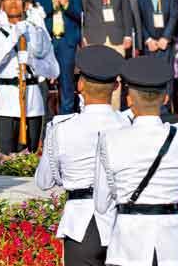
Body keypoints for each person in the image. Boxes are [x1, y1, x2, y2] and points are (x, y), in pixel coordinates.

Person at [94, 54, 178, 266]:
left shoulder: (111, 138)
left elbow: (101, 202)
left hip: (128, 244)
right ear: (165, 99)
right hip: (172, 244)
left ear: (129, 99)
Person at [35, 46, 130, 266]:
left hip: (80, 223)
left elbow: (44, 181)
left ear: (80, 85)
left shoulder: (62, 128)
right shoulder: (127, 126)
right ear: (116, 87)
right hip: (122, 221)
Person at [0, 0, 57, 153]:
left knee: (32, 156)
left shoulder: (37, 31)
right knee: (4, 157)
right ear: (2, 5)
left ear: (25, 5)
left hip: (33, 100)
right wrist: (13, 37)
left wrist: (33, 62)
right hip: (5, 101)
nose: (13, 3)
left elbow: (54, 69)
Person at [33, 0, 82, 115]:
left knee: (66, 84)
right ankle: (46, 119)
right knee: (44, 84)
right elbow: (38, 16)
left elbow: (79, 15)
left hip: (66, 43)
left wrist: (66, 5)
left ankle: (65, 117)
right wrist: (54, 5)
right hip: (47, 43)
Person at [80, 0, 133, 75]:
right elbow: (83, 13)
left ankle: (115, 96)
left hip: (117, 37)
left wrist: (128, 35)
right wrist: (83, 36)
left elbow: (126, 11)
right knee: (96, 73)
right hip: (94, 37)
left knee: (116, 74)